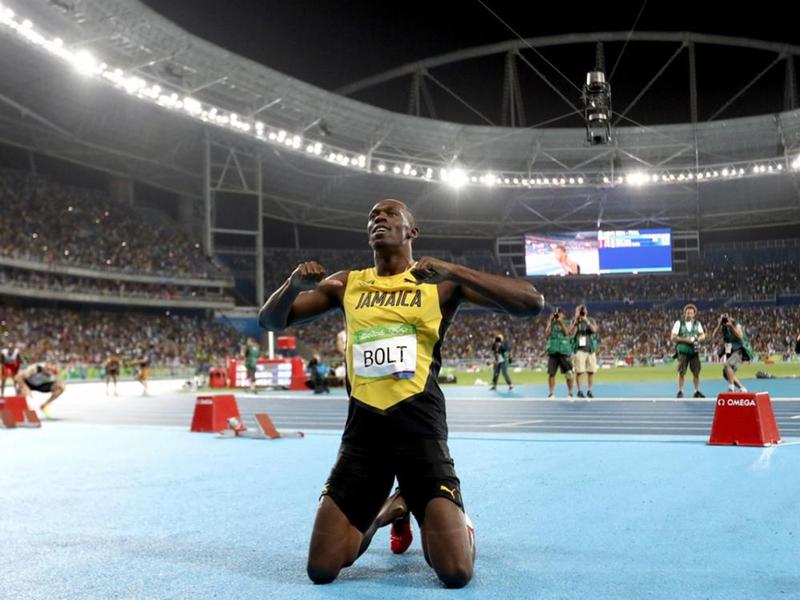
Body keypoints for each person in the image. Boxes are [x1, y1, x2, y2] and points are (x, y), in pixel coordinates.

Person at [258, 198, 544, 588]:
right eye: (372, 214)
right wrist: (292, 287)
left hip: (420, 434)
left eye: (390, 214)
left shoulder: (439, 283)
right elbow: (270, 320)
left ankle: (457, 519)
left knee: (455, 573)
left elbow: (531, 302)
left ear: (412, 231)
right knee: (320, 569)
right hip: (363, 440)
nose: (378, 218)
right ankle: (389, 509)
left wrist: (454, 270)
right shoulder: (347, 283)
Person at [710, 313, 755, 392]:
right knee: (726, 374)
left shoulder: (736, 324)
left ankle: (731, 388)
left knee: (727, 365)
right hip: (731, 351)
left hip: (741, 350)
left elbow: (740, 336)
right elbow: (713, 336)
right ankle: (742, 388)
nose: (725, 321)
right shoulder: (723, 327)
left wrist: (731, 326)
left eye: (726, 318)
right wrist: (719, 324)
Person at [671, 304, 706, 398]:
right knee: (681, 372)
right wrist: (686, 339)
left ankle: (696, 391)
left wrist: (697, 339)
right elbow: (673, 337)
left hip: (694, 351)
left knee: (696, 372)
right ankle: (680, 391)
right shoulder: (679, 323)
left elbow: (703, 335)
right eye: (687, 312)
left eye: (691, 313)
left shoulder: (697, 324)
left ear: (694, 314)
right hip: (683, 351)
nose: (689, 314)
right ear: (684, 313)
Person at [545, 308, 575, 399]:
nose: (557, 315)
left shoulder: (567, 322)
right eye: (556, 314)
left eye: (559, 314)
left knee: (569, 373)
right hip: (553, 350)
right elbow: (547, 334)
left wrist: (560, 322)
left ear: (563, 315)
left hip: (564, 350)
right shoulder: (551, 323)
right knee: (551, 373)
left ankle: (570, 393)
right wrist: (550, 321)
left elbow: (567, 333)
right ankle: (551, 393)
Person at [570, 304, 598, 398]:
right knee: (579, 372)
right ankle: (579, 391)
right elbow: (572, 334)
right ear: (576, 312)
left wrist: (587, 321)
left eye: (583, 311)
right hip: (579, 349)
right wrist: (576, 322)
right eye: (579, 311)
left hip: (590, 349)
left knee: (591, 371)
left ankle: (589, 390)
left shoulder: (591, 320)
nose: (582, 312)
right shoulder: (575, 322)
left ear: (586, 312)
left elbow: (594, 330)